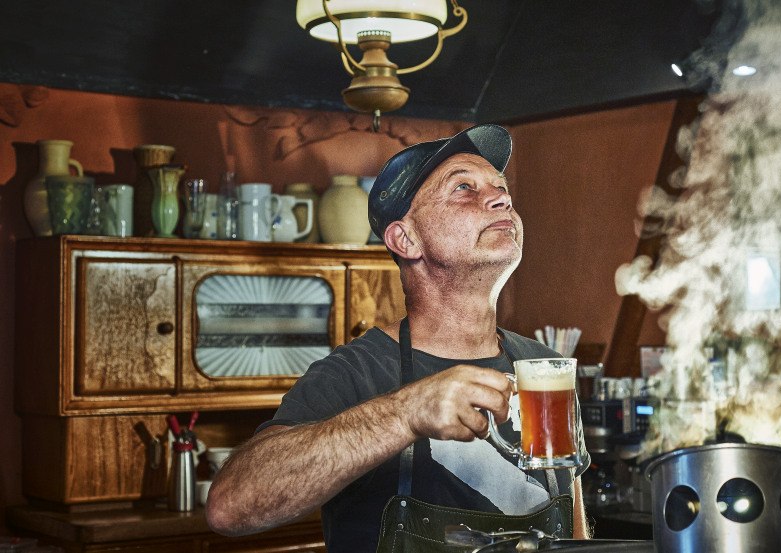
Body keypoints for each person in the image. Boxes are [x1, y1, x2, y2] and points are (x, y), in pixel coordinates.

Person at [206, 124, 590, 552]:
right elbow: (230, 506)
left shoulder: (545, 369)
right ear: (405, 239)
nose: (501, 198)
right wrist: (406, 412)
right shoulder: (355, 372)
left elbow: (570, 525)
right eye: (463, 188)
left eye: (502, 190)